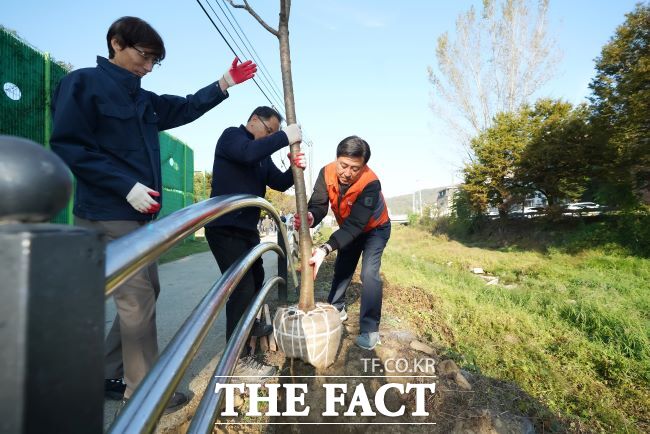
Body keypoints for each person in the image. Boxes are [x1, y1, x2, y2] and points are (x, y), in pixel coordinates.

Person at [49, 16, 257, 412]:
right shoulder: (82, 84)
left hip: (139, 218)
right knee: (138, 298)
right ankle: (144, 392)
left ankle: (109, 372)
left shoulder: (142, 99)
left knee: (146, 294)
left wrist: (223, 84)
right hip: (106, 209)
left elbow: (185, 107)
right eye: (144, 56)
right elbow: (70, 146)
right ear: (116, 43)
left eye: (154, 62)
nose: (147, 67)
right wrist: (123, 185)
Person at [205, 106, 304, 376]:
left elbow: (280, 183)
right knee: (242, 288)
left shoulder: (261, 155)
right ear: (253, 121)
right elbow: (247, 154)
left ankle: (248, 324)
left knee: (257, 277)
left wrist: (294, 168)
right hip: (225, 228)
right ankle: (236, 361)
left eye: (274, 133)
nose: (270, 137)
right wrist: (284, 137)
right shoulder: (233, 138)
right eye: (269, 130)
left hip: (246, 230)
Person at [294, 136, 390, 350]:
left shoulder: (371, 183)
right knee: (343, 266)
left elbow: (357, 224)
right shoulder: (326, 172)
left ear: (364, 166)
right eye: (343, 165)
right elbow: (319, 204)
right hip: (349, 229)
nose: (347, 173)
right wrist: (310, 215)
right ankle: (337, 307)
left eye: (355, 168)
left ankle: (370, 329)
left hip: (375, 229)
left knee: (369, 274)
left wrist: (324, 249)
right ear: (336, 159)